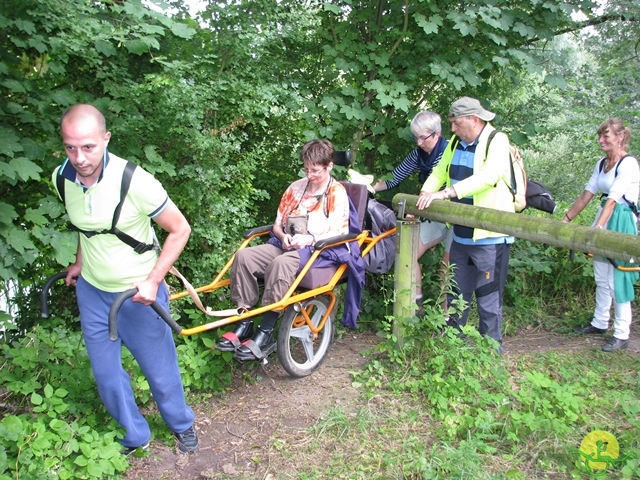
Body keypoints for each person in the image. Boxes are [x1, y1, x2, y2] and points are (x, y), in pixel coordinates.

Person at [53, 104, 198, 455]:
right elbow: (88, 230)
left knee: (159, 370)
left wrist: (153, 281)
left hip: (137, 294)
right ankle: (135, 434)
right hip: (93, 291)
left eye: (88, 146)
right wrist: (78, 263)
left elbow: (180, 230)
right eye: (71, 147)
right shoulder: (61, 178)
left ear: (106, 138)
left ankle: (182, 425)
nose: (79, 157)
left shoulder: (134, 181)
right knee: (106, 374)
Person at [215, 139, 364, 360]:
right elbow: (277, 224)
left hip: (318, 250)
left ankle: (265, 332)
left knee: (281, 264)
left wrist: (309, 239)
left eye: (315, 170)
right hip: (286, 244)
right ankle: (244, 320)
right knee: (244, 256)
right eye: (306, 169)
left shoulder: (337, 193)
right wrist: (283, 236)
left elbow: (337, 232)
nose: (310, 175)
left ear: (329, 166)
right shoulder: (295, 187)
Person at [416, 97, 515, 353]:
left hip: (489, 235)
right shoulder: (457, 142)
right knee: (456, 290)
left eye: (457, 124)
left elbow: (489, 176)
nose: (453, 130)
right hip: (461, 234)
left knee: (488, 295)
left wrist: (447, 193)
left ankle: (491, 349)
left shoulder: (497, 140)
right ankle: (453, 343)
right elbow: (439, 171)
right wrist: (425, 195)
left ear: (474, 119)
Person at [566, 118, 639, 352]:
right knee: (601, 275)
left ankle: (621, 332)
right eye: (599, 135)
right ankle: (599, 322)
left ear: (620, 137)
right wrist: (566, 220)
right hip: (605, 216)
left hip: (622, 220)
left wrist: (599, 227)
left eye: (605, 136)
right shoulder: (601, 164)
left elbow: (614, 198)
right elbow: (587, 194)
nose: (600, 140)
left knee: (618, 278)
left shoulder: (628, 164)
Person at [373, 111, 452, 314]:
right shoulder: (419, 153)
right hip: (430, 212)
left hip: (454, 215)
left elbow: (438, 186)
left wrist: (415, 211)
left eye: (423, 138)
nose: (418, 142)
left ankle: (446, 319)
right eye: (415, 137)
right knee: (408, 252)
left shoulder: (450, 151)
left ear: (437, 133)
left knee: (447, 267)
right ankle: (416, 306)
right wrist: (368, 186)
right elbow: (393, 178)